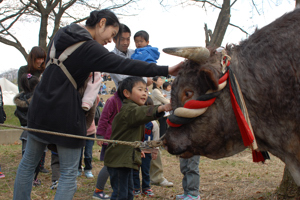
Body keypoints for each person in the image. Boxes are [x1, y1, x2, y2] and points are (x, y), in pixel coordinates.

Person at [13, 9, 181, 200]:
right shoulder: (89, 48)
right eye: (111, 34)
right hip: (65, 111)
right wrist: (167, 69)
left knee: (28, 164)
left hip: (40, 105)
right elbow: (124, 65)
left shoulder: (62, 33)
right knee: (69, 172)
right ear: (102, 23)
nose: (111, 40)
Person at [104, 77, 172, 200]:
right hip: (119, 161)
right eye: (140, 89)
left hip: (125, 159)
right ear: (126, 93)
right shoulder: (129, 111)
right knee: (120, 194)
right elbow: (141, 113)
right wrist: (162, 107)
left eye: (146, 90)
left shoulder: (131, 110)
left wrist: (137, 150)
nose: (145, 93)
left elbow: (129, 136)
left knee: (129, 193)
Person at [17, 46, 49, 174]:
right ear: (33, 58)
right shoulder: (23, 70)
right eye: (38, 59)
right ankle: (27, 163)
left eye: (42, 59)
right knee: (28, 137)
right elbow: (22, 89)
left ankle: (40, 165)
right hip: (27, 108)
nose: (40, 61)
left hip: (43, 107)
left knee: (43, 136)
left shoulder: (45, 71)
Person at [13, 73, 44, 186]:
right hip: (34, 131)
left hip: (25, 131)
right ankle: (31, 180)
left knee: (26, 158)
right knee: (33, 159)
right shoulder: (37, 99)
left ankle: (29, 180)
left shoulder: (20, 100)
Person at [93, 87, 123, 199]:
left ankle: (116, 188)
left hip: (120, 138)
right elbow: (103, 118)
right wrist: (100, 135)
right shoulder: (112, 100)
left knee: (117, 166)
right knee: (109, 166)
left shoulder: (127, 102)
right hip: (111, 138)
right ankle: (98, 190)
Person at [109, 24, 152, 89]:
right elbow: (122, 78)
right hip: (124, 96)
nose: (125, 43)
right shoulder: (111, 57)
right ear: (114, 40)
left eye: (128, 39)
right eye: (122, 39)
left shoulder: (135, 53)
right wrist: (145, 79)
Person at [133, 97, 159, 198]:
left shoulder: (153, 123)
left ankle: (146, 188)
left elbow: (156, 139)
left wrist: (155, 151)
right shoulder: (136, 121)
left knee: (146, 170)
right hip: (136, 150)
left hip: (147, 151)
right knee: (135, 170)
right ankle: (135, 188)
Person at [77, 72, 102, 178]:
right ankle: (78, 168)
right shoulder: (76, 93)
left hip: (90, 131)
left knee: (88, 153)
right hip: (78, 130)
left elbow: (95, 102)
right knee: (78, 153)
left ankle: (88, 168)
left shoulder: (93, 95)